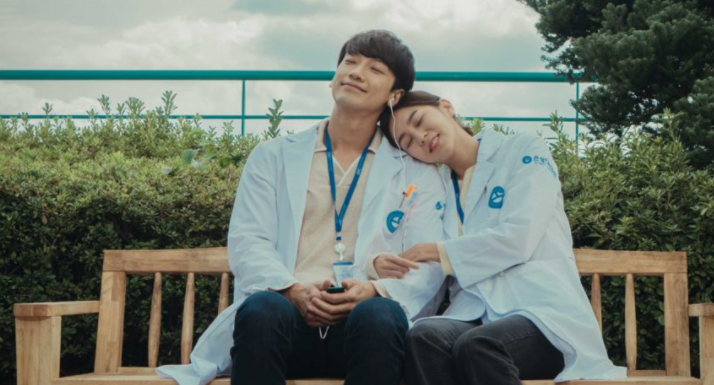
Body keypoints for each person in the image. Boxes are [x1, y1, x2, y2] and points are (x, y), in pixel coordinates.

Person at [158, 32, 447, 385]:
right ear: (333, 78)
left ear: (395, 95)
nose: (356, 72)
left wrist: (374, 291)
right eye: (350, 62)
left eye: (375, 69)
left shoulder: (415, 172)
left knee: (380, 314)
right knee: (262, 309)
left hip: (363, 330)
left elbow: (427, 263)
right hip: (287, 320)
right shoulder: (273, 156)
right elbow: (249, 240)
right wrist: (293, 290)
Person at [374, 90, 626, 385]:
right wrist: (378, 262)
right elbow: (408, 246)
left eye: (419, 121)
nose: (420, 137)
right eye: (407, 142)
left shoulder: (522, 149)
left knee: (479, 345)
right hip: (475, 315)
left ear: (446, 107)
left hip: (541, 316)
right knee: (424, 338)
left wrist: (436, 251)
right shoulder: (436, 188)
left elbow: (521, 236)